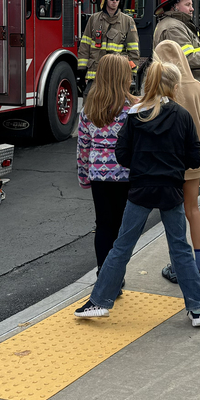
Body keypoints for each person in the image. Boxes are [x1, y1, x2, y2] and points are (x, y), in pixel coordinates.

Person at [74, 61, 200, 326]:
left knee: (122, 246)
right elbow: (196, 157)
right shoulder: (182, 115)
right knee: (180, 248)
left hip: (140, 188)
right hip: (171, 189)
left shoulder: (136, 115)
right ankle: (198, 309)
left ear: (148, 84)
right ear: (175, 86)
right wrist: (174, 166)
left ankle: (99, 301)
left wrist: (141, 165)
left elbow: (121, 153)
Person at [154, 40, 200, 283]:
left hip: (170, 162)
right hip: (195, 158)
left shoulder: (161, 87)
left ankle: (179, 265)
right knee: (193, 210)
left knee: (174, 214)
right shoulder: (197, 85)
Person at [76, 53, 137, 273]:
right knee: (122, 227)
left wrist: (84, 177)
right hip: (124, 174)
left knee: (103, 225)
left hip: (98, 175)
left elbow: (83, 147)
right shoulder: (132, 109)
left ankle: (103, 271)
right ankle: (116, 274)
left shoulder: (89, 109)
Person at [77, 0, 140, 91]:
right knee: (91, 107)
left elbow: (133, 51)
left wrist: (133, 75)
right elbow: (84, 46)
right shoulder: (94, 19)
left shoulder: (128, 22)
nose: (114, 1)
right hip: (95, 76)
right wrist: (81, 71)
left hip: (117, 77)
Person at [153, 0, 200, 87]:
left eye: (192, 4)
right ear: (175, 6)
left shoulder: (178, 24)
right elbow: (187, 59)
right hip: (184, 87)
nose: (192, 9)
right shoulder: (173, 28)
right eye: (187, 5)